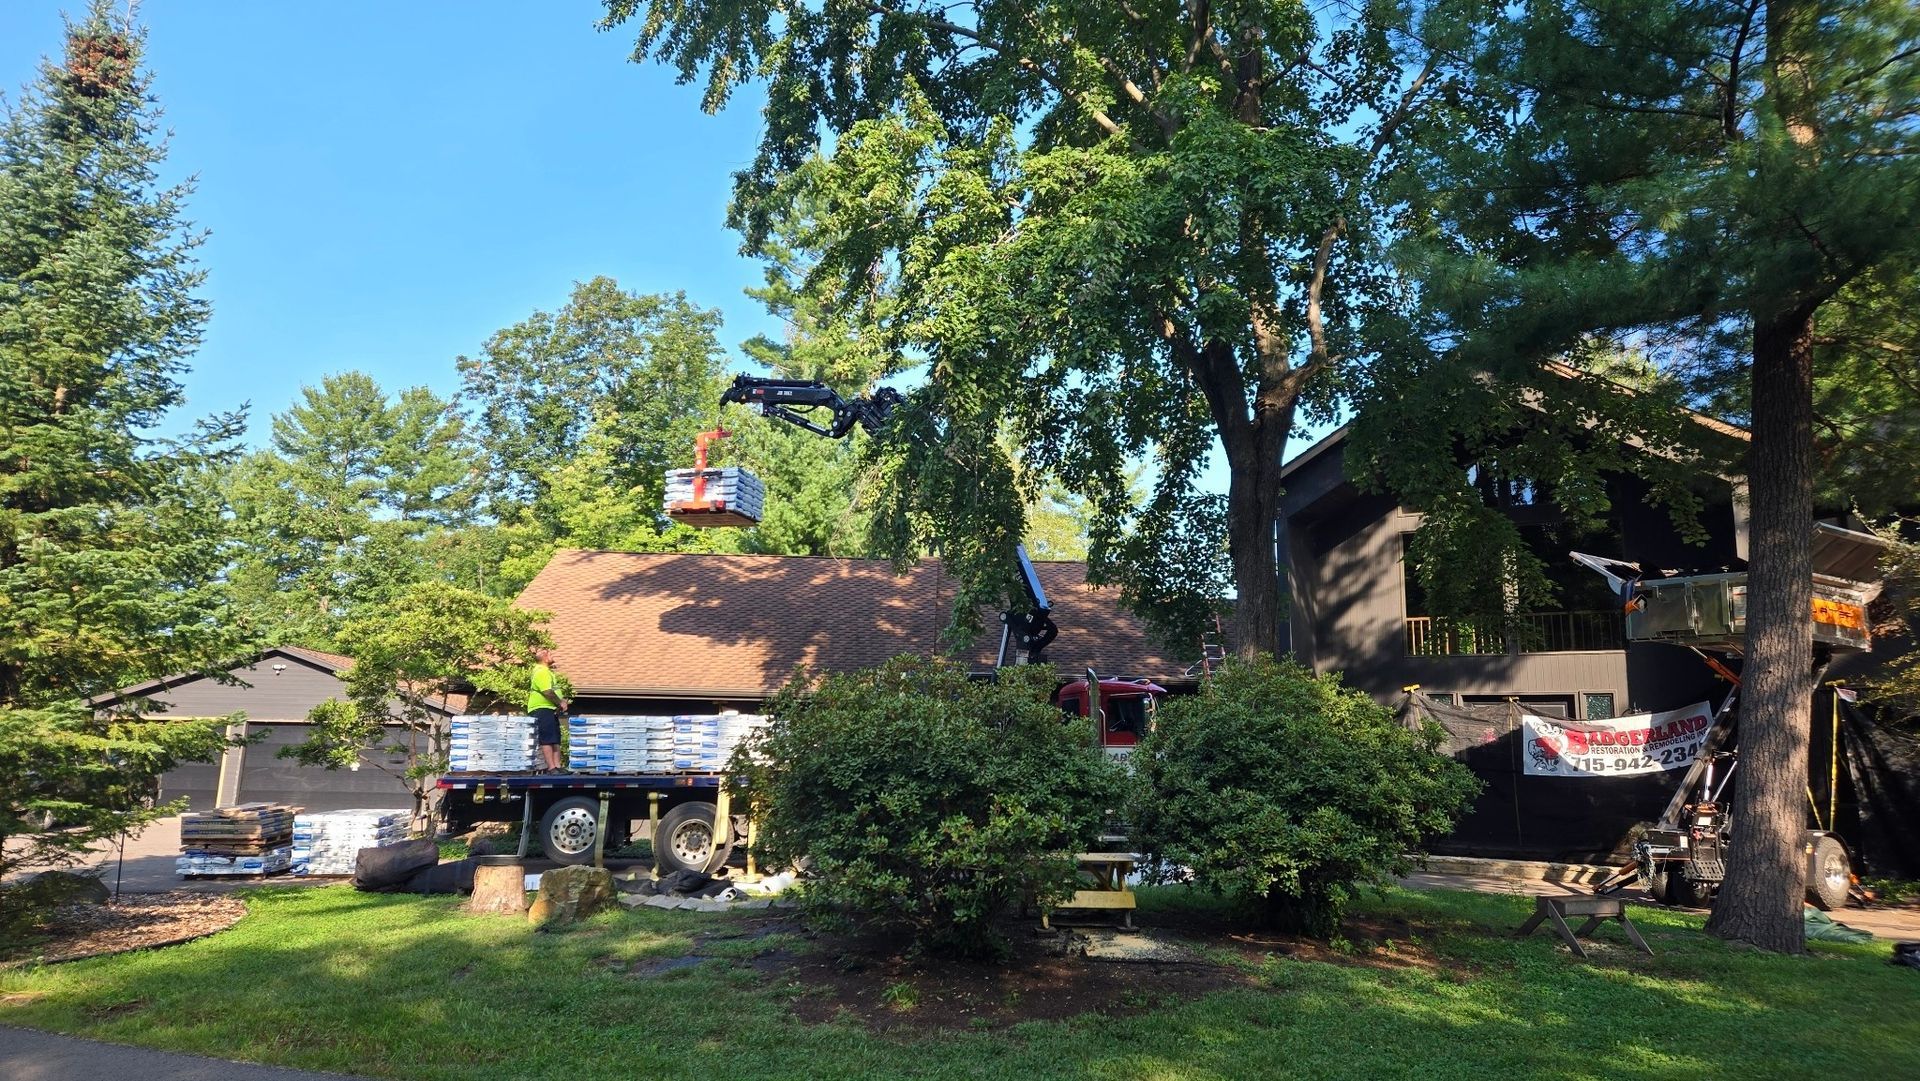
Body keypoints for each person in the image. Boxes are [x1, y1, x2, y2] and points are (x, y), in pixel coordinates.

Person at [527, 646, 569, 772]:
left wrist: (560, 702)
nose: (553, 656)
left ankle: (558, 766)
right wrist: (560, 702)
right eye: (550, 654)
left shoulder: (548, 672)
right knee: (547, 738)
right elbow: (547, 691)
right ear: (544, 658)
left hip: (550, 709)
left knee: (555, 738)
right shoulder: (541, 671)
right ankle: (551, 767)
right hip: (541, 708)